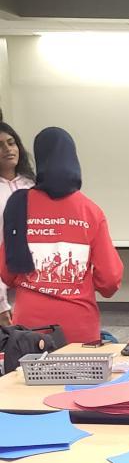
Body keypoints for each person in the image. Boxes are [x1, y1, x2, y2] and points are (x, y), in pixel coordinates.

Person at [1, 127, 123, 344]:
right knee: (81, 367)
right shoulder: (90, 210)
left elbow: (7, 273)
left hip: (30, 327)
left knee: (28, 367)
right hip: (80, 323)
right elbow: (110, 279)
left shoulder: (19, 204)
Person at [0, 122, 35, 326]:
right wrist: (1, 303)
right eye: (0, 145)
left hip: (30, 279)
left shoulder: (33, 186)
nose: (7, 149)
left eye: (11, 142)